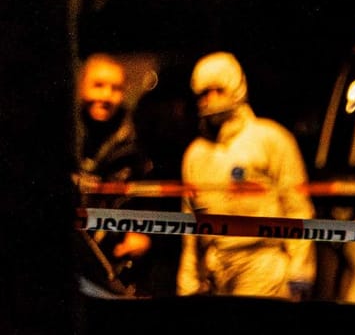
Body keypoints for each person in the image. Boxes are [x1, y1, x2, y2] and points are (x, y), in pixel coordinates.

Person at [175, 51, 316, 299]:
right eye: (204, 93)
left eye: (219, 90)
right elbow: (191, 226)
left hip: (264, 266)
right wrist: (188, 282)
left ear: (237, 88)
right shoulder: (195, 155)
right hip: (217, 269)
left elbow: (297, 209)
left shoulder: (270, 139)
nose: (211, 100)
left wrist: (300, 273)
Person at [75, 53, 161, 293]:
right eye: (99, 85)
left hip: (117, 267)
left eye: (115, 88)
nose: (106, 96)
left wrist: (144, 234)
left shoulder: (134, 144)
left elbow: (150, 194)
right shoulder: (71, 137)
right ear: (82, 87)